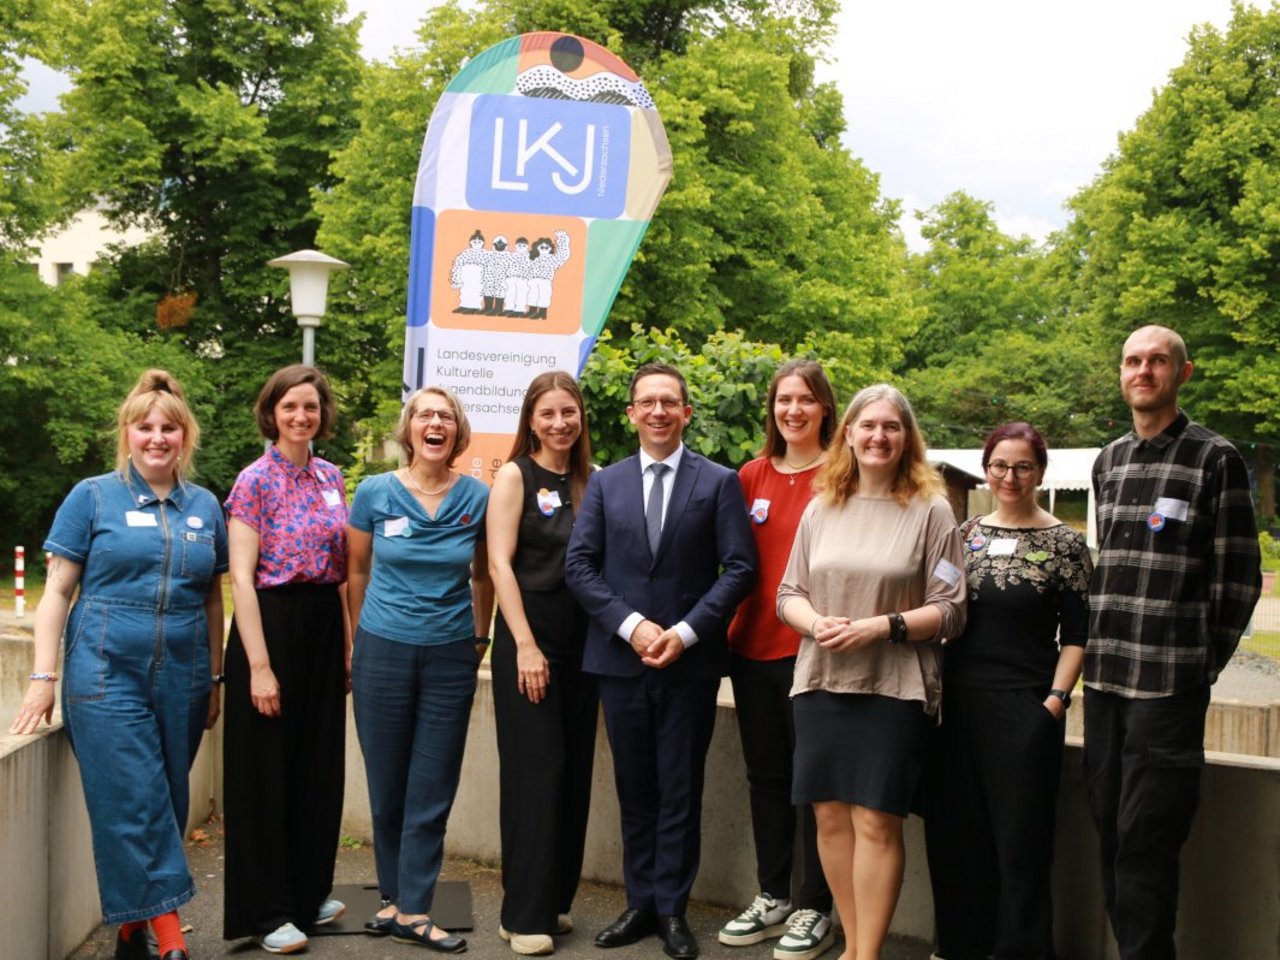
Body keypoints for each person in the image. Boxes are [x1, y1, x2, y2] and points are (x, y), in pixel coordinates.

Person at [9, 369, 226, 960]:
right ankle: (172, 940)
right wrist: (42, 675)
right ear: (126, 434)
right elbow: (56, 593)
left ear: (186, 437)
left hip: (183, 670)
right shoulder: (93, 496)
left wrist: (213, 678)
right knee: (135, 797)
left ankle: (130, 933)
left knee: (169, 799)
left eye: (169, 429)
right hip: (104, 666)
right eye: (145, 427)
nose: (157, 438)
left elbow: (212, 596)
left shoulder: (205, 505)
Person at [565, 361, 757, 960]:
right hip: (620, 664)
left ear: (686, 413)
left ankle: (673, 909)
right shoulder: (606, 483)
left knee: (680, 789)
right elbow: (580, 566)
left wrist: (685, 631)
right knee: (635, 788)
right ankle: (639, 901)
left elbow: (741, 568)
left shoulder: (719, 481)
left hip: (688, 665)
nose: (657, 411)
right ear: (630, 413)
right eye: (646, 402)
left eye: (668, 402)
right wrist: (631, 626)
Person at [1084, 325, 1261, 959]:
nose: (1144, 370)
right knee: (1108, 826)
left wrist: (1197, 664)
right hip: (1104, 681)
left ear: (1181, 373)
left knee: (1148, 836)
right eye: (1133, 360)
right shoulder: (1110, 460)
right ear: (1122, 372)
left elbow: (1238, 578)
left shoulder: (1215, 458)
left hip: (1167, 688)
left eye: (1159, 361)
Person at [776, 383, 966, 960]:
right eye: (868, 426)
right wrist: (817, 624)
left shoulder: (932, 510)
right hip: (821, 679)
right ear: (849, 435)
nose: (878, 436)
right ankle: (855, 948)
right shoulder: (822, 504)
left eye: (891, 426)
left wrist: (881, 626)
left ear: (907, 438)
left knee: (877, 823)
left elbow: (953, 610)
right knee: (830, 820)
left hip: (893, 686)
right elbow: (789, 593)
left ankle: (868, 953)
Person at [922, 422, 1092, 960]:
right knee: (955, 836)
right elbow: (940, 606)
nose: (1010, 476)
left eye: (1022, 466)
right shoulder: (964, 533)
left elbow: (1079, 635)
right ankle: (958, 946)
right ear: (986, 468)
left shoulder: (1064, 544)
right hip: (956, 707)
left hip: (1024, 710)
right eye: (1000, 465)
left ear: (1040, 472)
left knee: (1020, 844)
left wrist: (1054, 702)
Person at [348, 385, 494, 954]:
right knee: (386, 785)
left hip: (450, 653)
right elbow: (355, 571)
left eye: (446, 417)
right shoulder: (374, 492)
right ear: (408, 429)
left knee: (431, 786)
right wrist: (359, 638)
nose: (435, 424)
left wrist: (480, 636)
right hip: (382, 650)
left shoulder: (476, 498)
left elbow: (483, 576)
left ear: (457, 433)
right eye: (425, 415)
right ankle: (391, 898)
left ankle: (414, 907)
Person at [222, 364, 350, 954]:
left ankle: (306, 892)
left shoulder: (331, 476)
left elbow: (345, 569)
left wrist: (347, 645)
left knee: (317, 764)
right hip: (268, 623)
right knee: (265, 772)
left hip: (323, 624)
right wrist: (260, 666)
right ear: (271, 413)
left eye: (311, 407)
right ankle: (267, 908)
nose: (301, 417)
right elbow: (242, 582)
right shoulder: (254, 480)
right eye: (290, 407)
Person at [719, 360, 838, 960]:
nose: (793, 410)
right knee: (766, 778)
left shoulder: (842, 476)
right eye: (783, 400)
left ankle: (818, 905)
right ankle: (774, 895)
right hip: (751, 649)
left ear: (824, 409)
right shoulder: (750, 476)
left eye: (805, 400)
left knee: (814, 784)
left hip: (814, 655)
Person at [487, 371, 598, 956]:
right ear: (531, 418)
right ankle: (520, 912)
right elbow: (500, 565)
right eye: (549, 413)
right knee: (538, 771)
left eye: (569, 412)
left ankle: (553, 901)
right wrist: (525, 644)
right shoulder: (514, 476)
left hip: (586, 643)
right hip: (531, 637)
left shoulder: (591, 480)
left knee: (575, 770)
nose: (560, 423)